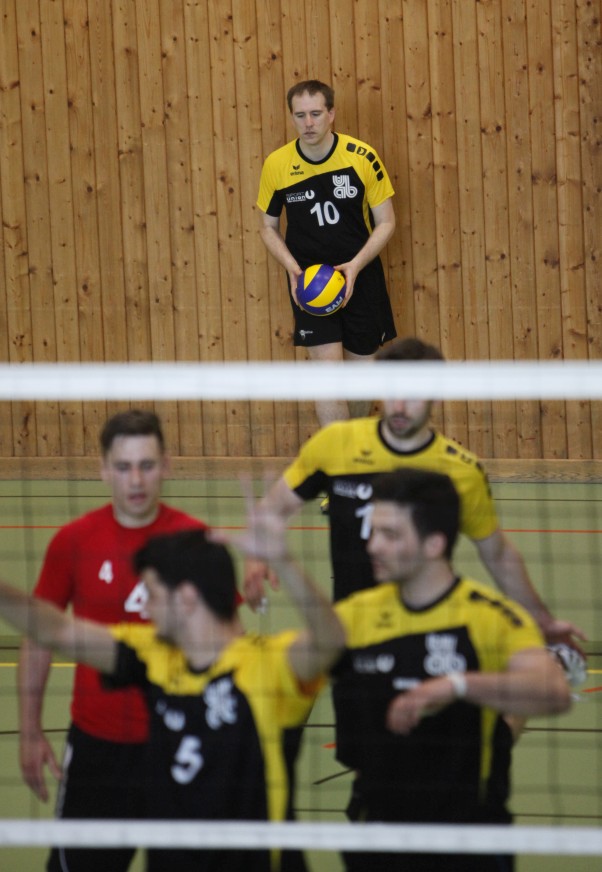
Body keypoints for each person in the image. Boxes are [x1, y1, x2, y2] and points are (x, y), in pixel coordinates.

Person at [2, 516, 345, 871]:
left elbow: (331, 641)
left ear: (186, 598)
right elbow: (57, 630)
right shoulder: (154, 656)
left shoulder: (266, 665)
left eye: (152, 594)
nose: (145, 608)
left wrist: (284, 561)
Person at [244, 337, 584, 650]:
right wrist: (256, 556)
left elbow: (498, 555)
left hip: (429, 636)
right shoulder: (336, 445)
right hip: (352, 632)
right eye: (392, 394)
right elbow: (272, 509)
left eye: (414, 396)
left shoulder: (460, 471)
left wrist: (543, 622)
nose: (400, 407)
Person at [331, 468, 572, 872]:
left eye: (390, 535)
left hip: (468, 839)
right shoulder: (353, 616)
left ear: (434, 543)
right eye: (373, 532)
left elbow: (553, 691)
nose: (372, 546)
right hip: (378, 835)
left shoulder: (492, 616)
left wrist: (456, 685)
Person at [18, 409, 209, 872]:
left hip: (179, 746)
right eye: (123, 467)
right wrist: (30, 731)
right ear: (103, 469)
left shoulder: (193, 542)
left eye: (146, 465)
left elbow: (226, 646)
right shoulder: (73, 542)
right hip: (96, 750)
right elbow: (40, 638)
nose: (135, 480)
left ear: (167, 465)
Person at [257, 79, 397, 425]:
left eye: (316, 114)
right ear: (292, 117)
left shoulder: (362, 157)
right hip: (310, 284)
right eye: (300, 115)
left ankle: (356, 446)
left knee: (362, 379)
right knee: (328, 379)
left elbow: (386, 222)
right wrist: (293, 270)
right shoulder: (277, 164)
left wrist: (355, 265)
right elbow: (268, 227)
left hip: (361, 277)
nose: (308, 123)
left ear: (331, 114)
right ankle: (338, 455)